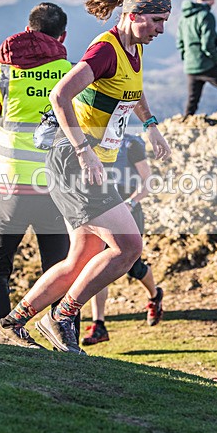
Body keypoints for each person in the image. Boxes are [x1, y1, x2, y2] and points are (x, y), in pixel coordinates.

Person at [0, 0, 172, 353]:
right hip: (74, 162)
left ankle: (11, 324)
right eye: (157, 20)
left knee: (78, 261)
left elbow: (132, 91)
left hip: (90, 164)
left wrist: (151, 125)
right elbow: (60, 95)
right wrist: (83, 150)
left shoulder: (134, 50)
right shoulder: (105, 49)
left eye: (164, 22)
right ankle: (61, 317)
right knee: (128, 246)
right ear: (134, 14)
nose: (160, 29)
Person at [0, 2, 74, 342]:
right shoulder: (71, 73)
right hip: (56, 189)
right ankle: (65, 342)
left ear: (28, 29)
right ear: (62, 36)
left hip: (10, 188)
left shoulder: (5, 73)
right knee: (61, 269)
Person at [82, 133, 163, 346]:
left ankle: (155, 295)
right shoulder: (91, 141)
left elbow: (147, 181)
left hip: (129, 211)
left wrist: (130, 203)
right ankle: (99, 325)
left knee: (133, 267)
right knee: (99, 265)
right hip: (103, 210)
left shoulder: (131, 144)